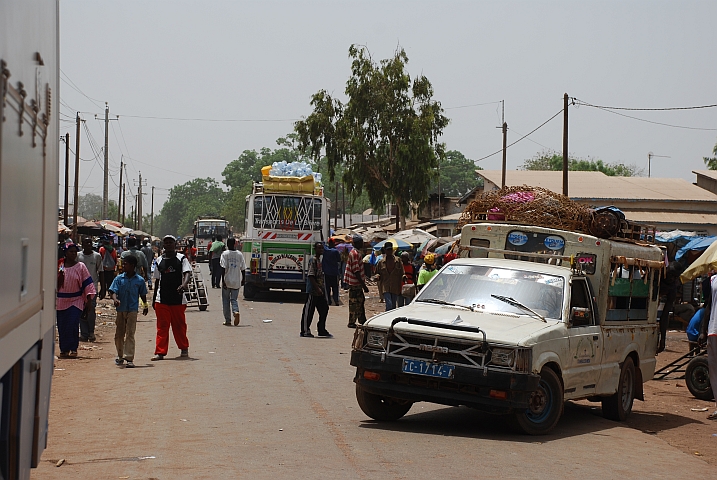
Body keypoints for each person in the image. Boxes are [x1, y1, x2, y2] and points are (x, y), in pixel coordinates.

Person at [151, 235, 192, 360]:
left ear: (175, 244)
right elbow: (157, 280)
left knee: (179, 325)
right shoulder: (159, 261)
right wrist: (154, 299)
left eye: (170, 242)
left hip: (178, 299)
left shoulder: (181, 259)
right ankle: (160, 352)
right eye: (166, 242)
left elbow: (187, 273)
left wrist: (184, 285)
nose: (168, 244)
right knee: (162, 327)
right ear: (163, 245)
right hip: (162, 299)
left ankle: (183, 348)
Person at [56, 242, 96, 358]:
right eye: (71, 252)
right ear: (66, 253)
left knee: (72, 324)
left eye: (75, 252)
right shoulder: (60, 265)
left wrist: (88, 300)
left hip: (76, 300)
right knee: (62, 325)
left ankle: (73, 348)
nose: (73, 254)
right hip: (61, 300)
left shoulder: (80, 266)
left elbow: (87, 283)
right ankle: (64, 349)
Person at [109, 255, 149, 368]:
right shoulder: (119, 279)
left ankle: (129, 357)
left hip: (132, 309)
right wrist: (115, 299)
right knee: (119, 334)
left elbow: (142, 294)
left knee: (130, 334)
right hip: (121, 309)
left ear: (132, 266)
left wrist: (145, 306)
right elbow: (113, 291)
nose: (123, 266)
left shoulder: (139, 280)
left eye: (125, 263)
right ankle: (120, 355)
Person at [300, 242, 331, 338]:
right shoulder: (313, 260)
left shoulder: (319, 261)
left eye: (322, 248)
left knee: (324, 309)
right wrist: (317, 288)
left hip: (320, 291)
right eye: (319, 248)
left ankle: (321, 329)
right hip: (313, 291)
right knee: (309, 311)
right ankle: (305, 330)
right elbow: (311, 275)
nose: (321, 250)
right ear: (315, 249)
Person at [78, 237, 102, 342]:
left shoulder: (97, 256)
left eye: (90, 242)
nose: (88, 244)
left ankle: (91, 332)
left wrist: (104, 288)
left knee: (91, 310)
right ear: (82, 244)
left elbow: (101, 271)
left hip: (93, 288)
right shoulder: (78, 256)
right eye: (86, 242)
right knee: (81, 310)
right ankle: (84, 333)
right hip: (79, 289)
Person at [343, 236, 370, 328]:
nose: (362, 244)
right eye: (361, 242)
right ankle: (352, 321)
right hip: (355, 283)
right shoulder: (355, 254)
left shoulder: (356, 253)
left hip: (356, 283)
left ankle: (362, 320)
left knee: (360, 300)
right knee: (354, 302)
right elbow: (356, 271)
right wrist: (364, 285)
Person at [701, 273, 717, 420]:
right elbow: (708, 306)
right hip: (713, 330)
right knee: (714, 371)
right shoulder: (713, 280)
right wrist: (703, 331)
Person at [220, 238, 246, 326]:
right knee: (234, 299)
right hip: (236, 281)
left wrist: (222, 280)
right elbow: (243, 268)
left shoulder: (225, 254)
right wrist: (243, 279)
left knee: (225, 300)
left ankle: (228, 320)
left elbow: (223, 268)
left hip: (227, 280)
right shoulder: (239, 254)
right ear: (235, 244)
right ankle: (236, 311)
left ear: (227, 244)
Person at [376, 243, 405, 311]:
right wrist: (377, 276)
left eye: (390, 249)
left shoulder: (398, 261)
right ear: (385, 250)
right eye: (388, 250)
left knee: (393, 306)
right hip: (385, 286)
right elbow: (377, 273)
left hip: (395, 286)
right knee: (389, 304)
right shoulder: (381, 262)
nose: (389, 251)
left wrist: (404, 277)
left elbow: (402, 272)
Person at [322, 239, 342, 306]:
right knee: (335, 287)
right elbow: (339, 260)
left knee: (327, 287)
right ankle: (336, 300)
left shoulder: (325, 250)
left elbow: (323, 244)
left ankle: (328, 301)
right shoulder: (335, 251)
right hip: (334, 272)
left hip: (326, 272)